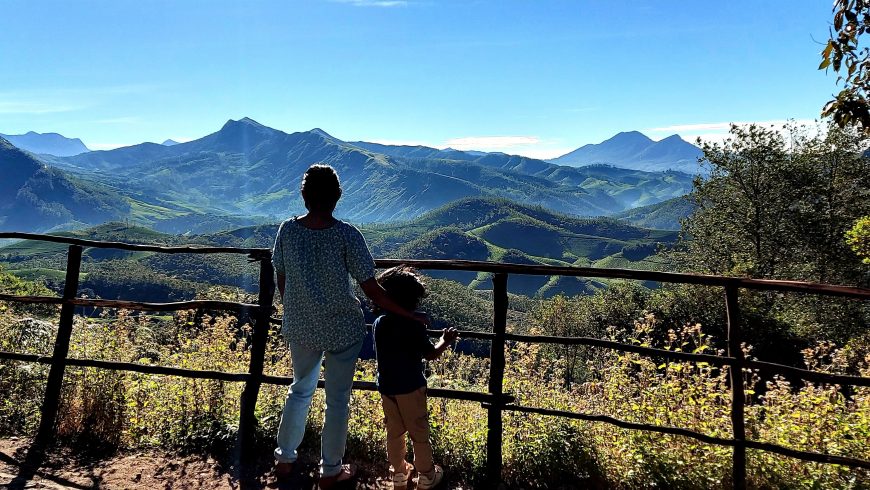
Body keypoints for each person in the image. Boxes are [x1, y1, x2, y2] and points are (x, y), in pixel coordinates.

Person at [271, 164, 429, 488]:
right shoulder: (347, 235)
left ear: (303, 196)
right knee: (337, 399)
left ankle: (284, 459)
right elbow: (372, 290)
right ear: (337, 197)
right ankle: (330, 470)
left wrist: (295, 310)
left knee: (299, 390)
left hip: (301, 326)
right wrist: (409, 315)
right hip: (343, 329)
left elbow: (281, 276)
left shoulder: (287, 231)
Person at [373, 266, 458, 489]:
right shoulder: (414, 325)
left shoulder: (379, 323)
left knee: (394, 432)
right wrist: (445, 340)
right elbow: (430, 354)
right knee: (419, 432)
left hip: (387, 386)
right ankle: (426, 476)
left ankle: (399, 474)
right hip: (410, 386)